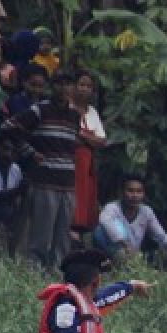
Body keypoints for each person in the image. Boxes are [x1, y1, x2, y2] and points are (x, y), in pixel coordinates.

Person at [36, 250, 161, 333]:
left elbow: (107, 295)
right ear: (96, 282)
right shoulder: (65, 309)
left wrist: (132, 286)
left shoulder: (84, 301)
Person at [1, 70, 81, 267]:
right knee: (41, 236)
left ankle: (58, 273)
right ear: (52, 87)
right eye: (59, 84)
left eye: (68, 85)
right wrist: (29, 151)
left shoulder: (75, 115)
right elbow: (8, 127)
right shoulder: (39, 110)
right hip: (44, 180)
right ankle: (34, 271)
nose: (64, 89)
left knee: (62, 236)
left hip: (68, 182)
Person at [93, 174, 167, 262]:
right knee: (99, 231)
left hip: (135, 255)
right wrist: (124, 243)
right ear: (121, 192)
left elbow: (161, 237)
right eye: (130, 191)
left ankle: (137, 261)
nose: (135, 195)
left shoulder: (146, 211)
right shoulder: (112, 208)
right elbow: (104, 220)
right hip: (116, 251)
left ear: (143, 194)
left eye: (139, 191)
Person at [71, 69, 107, 234]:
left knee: (86, 200)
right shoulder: (68, 107)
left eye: (89, 86)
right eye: (81, 84)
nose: (85, 89)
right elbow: (71, 135)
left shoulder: (92, 111)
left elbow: (102, 141)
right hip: (71, 162)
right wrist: (89, 138)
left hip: (88, 165)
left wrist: (83, 135)